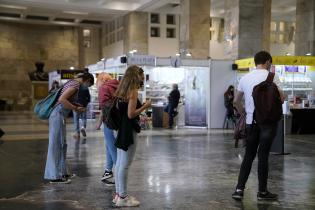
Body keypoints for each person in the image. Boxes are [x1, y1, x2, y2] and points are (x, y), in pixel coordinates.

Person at [232, 51, 284, 201]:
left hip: (251, 123)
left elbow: (236, 101)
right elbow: (281, 98)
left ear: (255, 62)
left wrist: (244, 113)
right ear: (268, 62)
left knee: (248, 156)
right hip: (268, 123)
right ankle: (262, 192)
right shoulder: (273, 77)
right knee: (263, 156)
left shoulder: (245, 78)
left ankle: (239, 190)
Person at [44, 72, 94, 184]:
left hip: (59, 115)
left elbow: (66, 99)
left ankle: (62, 172)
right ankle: (54, 175)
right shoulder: (75, 85)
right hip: (58, 114)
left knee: (62, 143)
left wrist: (75, 105)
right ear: (87, 81)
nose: (87, 87)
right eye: (89, 85)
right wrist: (75, 108)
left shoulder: (72, 82)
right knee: (56, 144)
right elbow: (62, 99)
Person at [113, 65, 151, 207]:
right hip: (128, 130)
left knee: (119, 162)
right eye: (142, 75)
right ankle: (123, 197)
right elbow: (131, 114)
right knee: (125, 164)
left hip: (120, 128)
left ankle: (118, 194)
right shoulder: (133, 91)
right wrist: (145, 106)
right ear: (136, 75)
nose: (143, 78)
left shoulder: (121, 90)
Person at [98, 73, 119, 186]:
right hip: (118, 120)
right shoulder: (118, 85)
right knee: (109, 146)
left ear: (103, 79)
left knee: (111, 147)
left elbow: (104, 107)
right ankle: (108, 170)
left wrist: (100, 121)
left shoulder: (104, 88)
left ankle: (118, 175)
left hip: (109, 121)